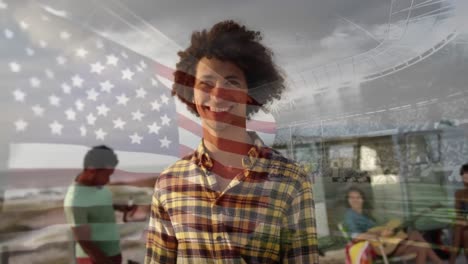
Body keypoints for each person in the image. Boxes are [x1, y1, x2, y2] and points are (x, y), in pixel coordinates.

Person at [145, 20, 319, 263]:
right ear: (190, 92)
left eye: (232, 82)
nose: (218, 94)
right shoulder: (169, 183)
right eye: (206, 84)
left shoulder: (292, 180)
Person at [64, 145, 135, 264]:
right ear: (92, 170)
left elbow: (97, 203)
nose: (108, 180)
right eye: (107, 175)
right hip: (94, 260)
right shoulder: (75, 201)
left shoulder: (97, 184)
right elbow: (86, 244)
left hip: (114, 252)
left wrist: (119, 207)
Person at [343, 186, 443, 264]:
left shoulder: (366, 214)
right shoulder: (350, 216)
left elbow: (380, 229)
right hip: (376, 250)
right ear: (348, 200)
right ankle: (439, 262)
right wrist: (379, 235)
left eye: (358, 197)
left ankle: (439, 262)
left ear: (363, 199)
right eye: (351, 198)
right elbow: (355, 236)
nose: (355, 200)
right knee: (415, 234)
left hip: (385, 246)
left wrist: (388, 230)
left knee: (422, 247)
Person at [449, 163, 468, 264]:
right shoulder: (458, 193)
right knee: (462, 231)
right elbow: (458, 212)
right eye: (463, 174)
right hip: (463, 223)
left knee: (463, 232)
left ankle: (452, 261)